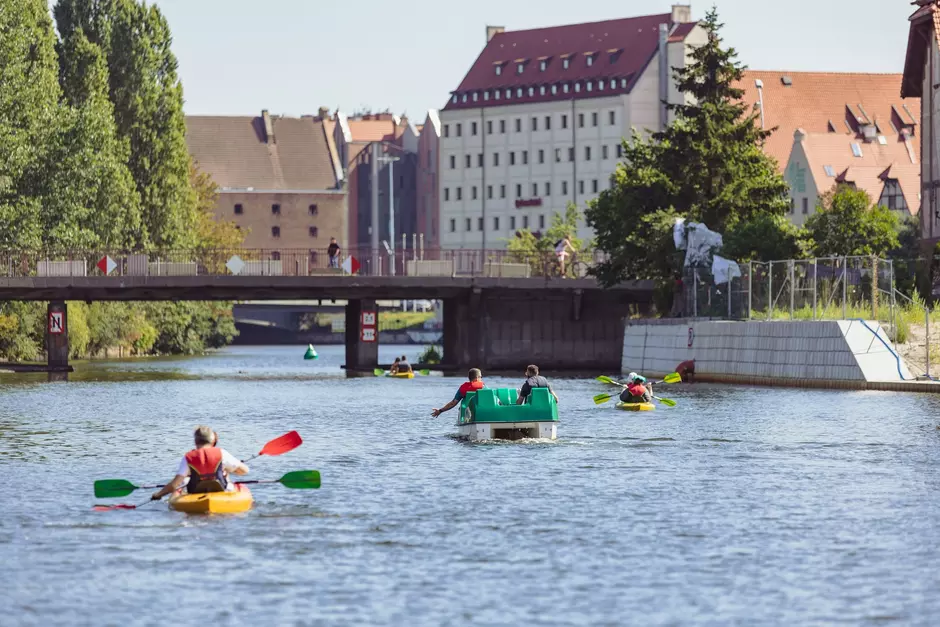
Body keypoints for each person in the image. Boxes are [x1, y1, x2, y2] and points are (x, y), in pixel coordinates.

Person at [151, 426, 249, 501]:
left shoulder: (188, 457)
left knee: (185, 481)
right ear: (213, 440)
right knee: (228, 480)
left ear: (195, 441)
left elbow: (173, 486)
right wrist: (228, 469)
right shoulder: (221, 453)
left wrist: (158, 495)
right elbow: (245, 471)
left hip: (194, 494)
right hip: (221, 491)